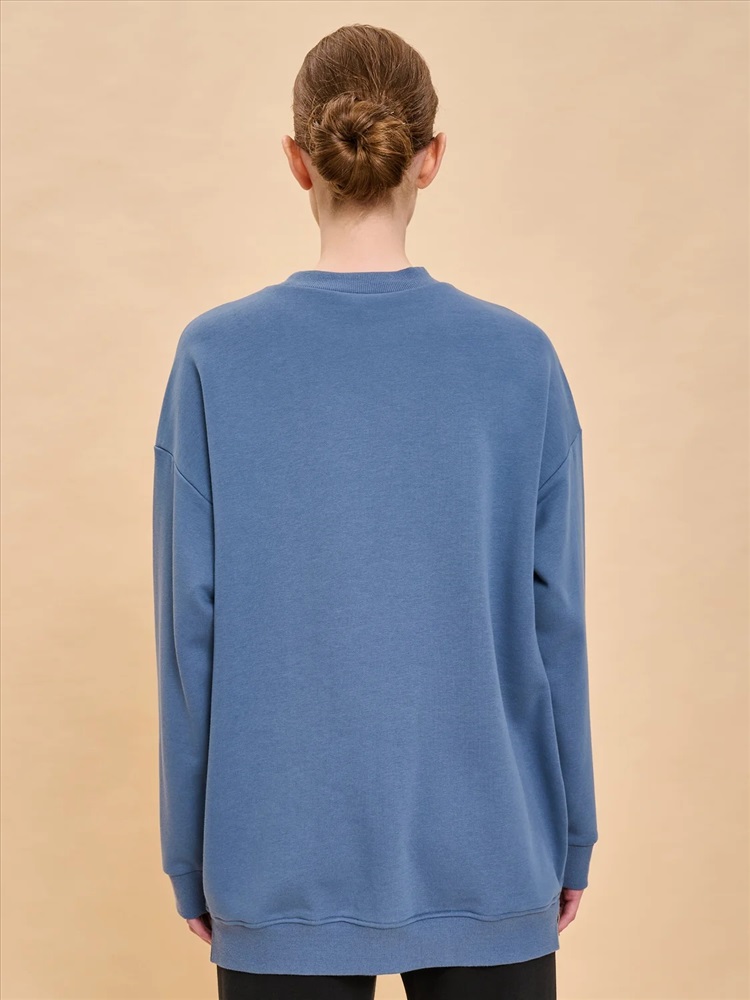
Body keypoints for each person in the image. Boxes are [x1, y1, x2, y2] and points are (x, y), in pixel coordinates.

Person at [151, 22, 598, 1000]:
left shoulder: (216, 357)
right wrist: (573, 836)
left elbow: (192, 629)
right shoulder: (519, 360)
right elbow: (555, 619)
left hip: (275, 848)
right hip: (494, 843)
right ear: (431, 159)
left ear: (296, 159)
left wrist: (190, 853)